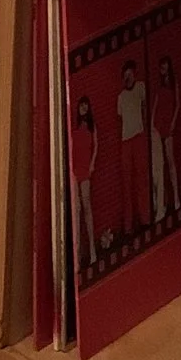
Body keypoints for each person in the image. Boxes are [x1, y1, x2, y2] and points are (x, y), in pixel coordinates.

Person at [114, 58, 150, 235]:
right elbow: (120, 119)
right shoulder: (120, 97)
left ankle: (145, 219)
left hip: (139, 137)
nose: (128, 78)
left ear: (134, 74)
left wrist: (144, 130)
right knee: (127, 184)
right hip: (126, 141)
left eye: (130, 74)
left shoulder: (141, 88)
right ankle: (128, 227)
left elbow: (144, 108)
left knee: (142, 179)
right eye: (125, 75)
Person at [69, 99, 101, 270]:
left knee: (86, 206)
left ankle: (92, 250)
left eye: (85, 106)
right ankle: (77, 254)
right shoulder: (73, 126)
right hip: (75, 169)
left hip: (85, 167)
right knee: (77, 210)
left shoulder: (91, 126)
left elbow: (96, 145)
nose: (83, 108)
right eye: (81, 106)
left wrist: (92, 163)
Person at [151, 55, 181, 222]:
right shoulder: (159, 85)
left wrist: (173, 123)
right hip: (158, 125)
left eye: (164, 67)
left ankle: (176, 197)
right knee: (160, 165)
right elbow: (155, 105)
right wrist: (152, 125)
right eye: (161, 67)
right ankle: (162, 203)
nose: (162, 70)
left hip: (168, 125)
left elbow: (178, 104)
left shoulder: (173, 83)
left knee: (171, 163)